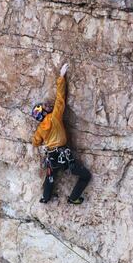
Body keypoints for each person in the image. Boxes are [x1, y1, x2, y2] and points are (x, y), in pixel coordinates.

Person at [32, 63, 91, 204]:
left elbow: (35, 141)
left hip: (53, 156)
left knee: (51, 175)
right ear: (45, 112)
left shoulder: (41, 128)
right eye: (45, 106)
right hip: (64, 155)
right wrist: (61, 77)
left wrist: (44, 140)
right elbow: (60, 99)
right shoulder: (54, 117)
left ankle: (45, 198)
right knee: (85, 175)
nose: (48, 105)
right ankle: (73, 198)